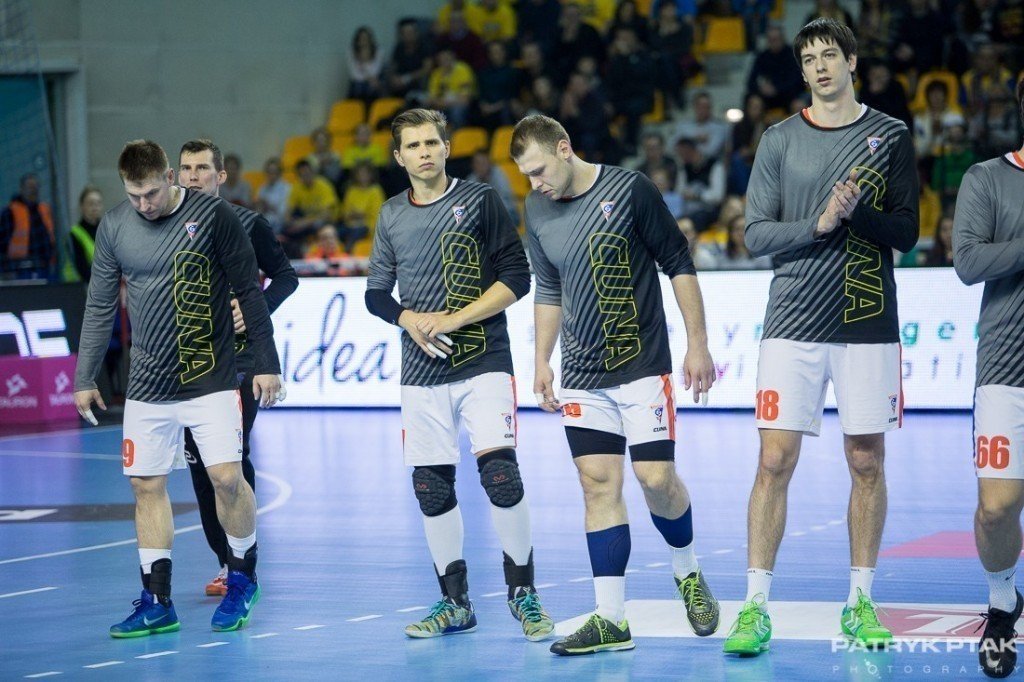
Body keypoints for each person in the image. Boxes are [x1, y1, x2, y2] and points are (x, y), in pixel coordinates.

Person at [722, 19, 918, 657]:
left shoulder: (890, 135)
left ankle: (861, 601)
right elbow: (756, 234)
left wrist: (859, 215)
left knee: (866, 461)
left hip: (867, 321)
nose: (820, 67)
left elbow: (907, 232)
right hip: (793, 324)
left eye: (829, 55)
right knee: (773, 461)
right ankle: (754, 607)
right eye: (809, 60)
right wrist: (821, 222)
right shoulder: (778, 139)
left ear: (852, 61)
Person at [510, 114, 720, 656]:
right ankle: (611, 619)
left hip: (642, 364)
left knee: (655, 478)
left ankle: (687, 570)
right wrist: (541, 361)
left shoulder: (630, 189)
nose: (535, 183)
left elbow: (678, 262)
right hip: (583, 374)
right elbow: (549, 287)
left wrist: (697, 344)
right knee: (597, 484)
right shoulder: (537, 208)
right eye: (526, 175)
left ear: (564, 147)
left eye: (539, 170)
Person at [73, 140, 284, 637]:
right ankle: (157, 600)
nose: (143, 204)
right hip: (147, 384)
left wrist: (267, 363)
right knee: (145, 486)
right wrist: (85, 376)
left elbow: (250, 292)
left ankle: (241, 578)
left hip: (210, 376)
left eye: (150, 193)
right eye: (133, 195)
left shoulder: (214, 216)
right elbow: (100, 304)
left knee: (227, 478)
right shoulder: (115, 226)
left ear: (169, 178)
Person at [364, 108, 553, 641]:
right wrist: (408, 319)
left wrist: (454, 319)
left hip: (483, 362)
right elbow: (376, 293)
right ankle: (455, 603)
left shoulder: (480, 200)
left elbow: (517, 277)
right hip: (420, 371)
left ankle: (523, 593)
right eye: (413, 145)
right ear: (398, 157)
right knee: (430, 486)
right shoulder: (390, 214)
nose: (424, 152)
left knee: (500, 475)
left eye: (432, 142)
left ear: (447, 148)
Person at [178, 139, 298, 597]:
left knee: (229, 459)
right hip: (190, 361)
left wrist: (256, 308)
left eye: (202, 168)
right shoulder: (164, 227)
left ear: (221, 176)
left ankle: (242, 563)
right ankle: (225, 562)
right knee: (198, 465)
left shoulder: (248, 223)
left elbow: (286, 276)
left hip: (241, 359)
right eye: (186, 169)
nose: (193, 177)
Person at [952, 76, 1024, 680]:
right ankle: (1003, 603)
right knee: (997, 509)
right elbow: (969, 261)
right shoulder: (986, 178)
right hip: (1007, 367)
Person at [0, 173, 56, 280]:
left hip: (44, 267)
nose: (33, 190)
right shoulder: (10, 212)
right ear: (22, 189)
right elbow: (2, 245)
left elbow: (51, 238)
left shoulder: (45, 210)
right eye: (30, 187)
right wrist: (5, 270)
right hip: (18, 269)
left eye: (36, 187)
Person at [66, 186, 104, 281]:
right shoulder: (75, 234)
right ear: (82, 206)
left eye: (98, 203)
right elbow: (82, 268)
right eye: (91, 204)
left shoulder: (108, 231)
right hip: (79, 285)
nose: (95, 207)